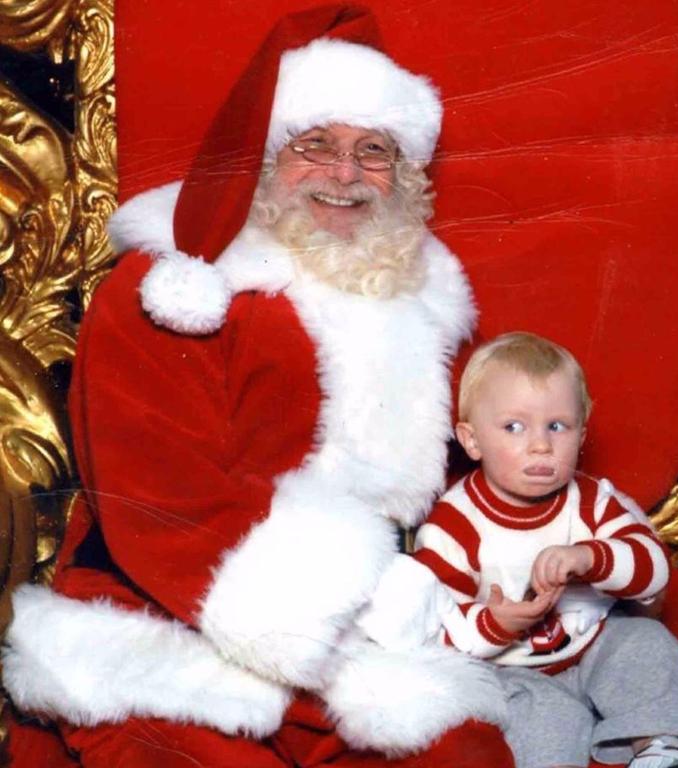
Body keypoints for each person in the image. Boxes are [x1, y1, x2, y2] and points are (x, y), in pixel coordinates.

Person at [0, 7, 514, 768]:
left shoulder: (425, 300)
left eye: (374, 152)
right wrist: (328, 609)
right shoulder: (173, 285)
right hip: (167, 624)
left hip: (366, 642)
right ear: (269, 155)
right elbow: (161, 498)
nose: (346, 176)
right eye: (317, 146)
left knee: (467, 755)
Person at [413, 331, 678, 768]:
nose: (541, 444)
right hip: (510, 668)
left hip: (592, 643)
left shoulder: (592, 499)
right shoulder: (455, 522)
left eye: (557, 426)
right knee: (541, 719)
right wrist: (493, 623)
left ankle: (659, 750)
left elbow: (655, 569)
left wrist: (592, 556)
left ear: (582, 434)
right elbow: (430, 620)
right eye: (513, 427)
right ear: (471, 440)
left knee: (644, 641)